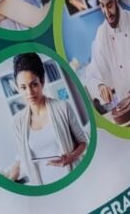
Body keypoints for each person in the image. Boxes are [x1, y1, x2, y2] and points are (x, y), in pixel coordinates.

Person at [9, 53, 88, 186]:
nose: (29, 93)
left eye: (34, 84)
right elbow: (24, 158)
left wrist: (71, 157)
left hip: (72, 181)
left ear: (42, 81)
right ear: (17, 87)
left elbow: (83, 142)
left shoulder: (63, 107)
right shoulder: (17, 122)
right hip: (45, 190)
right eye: (23, 87)